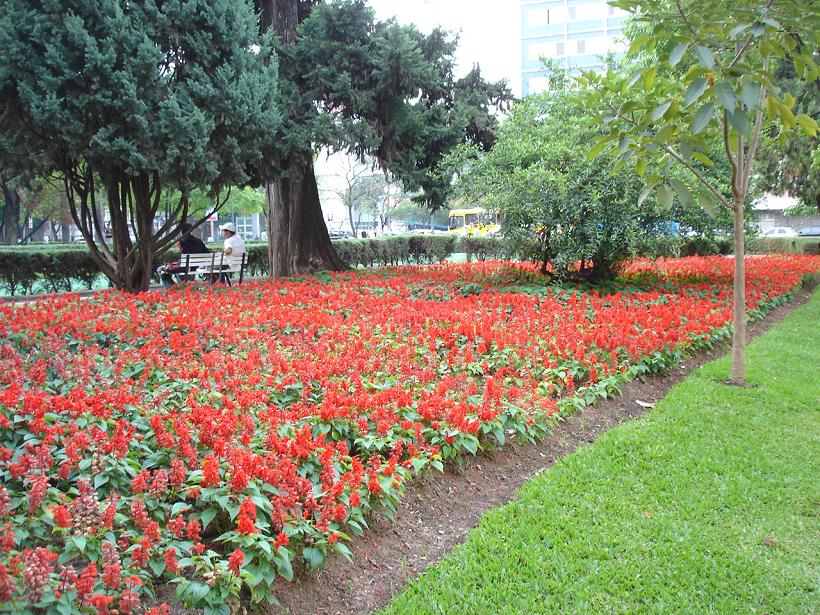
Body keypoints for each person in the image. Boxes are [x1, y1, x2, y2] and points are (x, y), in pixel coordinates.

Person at [156, 222, 210, 287]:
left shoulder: (182, 241)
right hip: (195, 267)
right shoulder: (199, 241)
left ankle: (172, 288)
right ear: (191, 230)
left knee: (160, 270)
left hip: (185, 267)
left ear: (181, 231)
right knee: (176, 270)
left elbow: (184, 255)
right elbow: (207, 253)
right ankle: (180, 286)